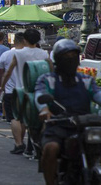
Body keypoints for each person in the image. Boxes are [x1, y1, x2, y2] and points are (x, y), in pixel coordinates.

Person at [35, 39, 101, 185]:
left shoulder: (86, 80)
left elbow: (98, 95)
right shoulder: (47, 79)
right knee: (51, 149)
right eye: (66, 57)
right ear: (58, 59)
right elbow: (40, 95)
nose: (70, 60)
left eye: (73, 57)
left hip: (85, 124)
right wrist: (44, 109)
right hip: (58, 124)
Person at [0, 29, 50, 155]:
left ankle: (19, 143)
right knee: (35, 119)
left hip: (20, 91)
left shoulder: (19, 53)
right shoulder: (44, 53)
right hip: (38, 91)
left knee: (18, 118)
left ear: (25, 40)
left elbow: (9, 71)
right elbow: (51, 70)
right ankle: (32, 145)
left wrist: (2, 85)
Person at [0, 33, 27, 154]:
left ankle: (18, 143)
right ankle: (22, 141)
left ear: (14, 42)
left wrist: (2, 86)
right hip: (27, 91)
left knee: (14, 119)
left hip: (11, 91)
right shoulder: (30, 53)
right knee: (24, 119)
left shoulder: (6, 55)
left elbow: (1, 72)